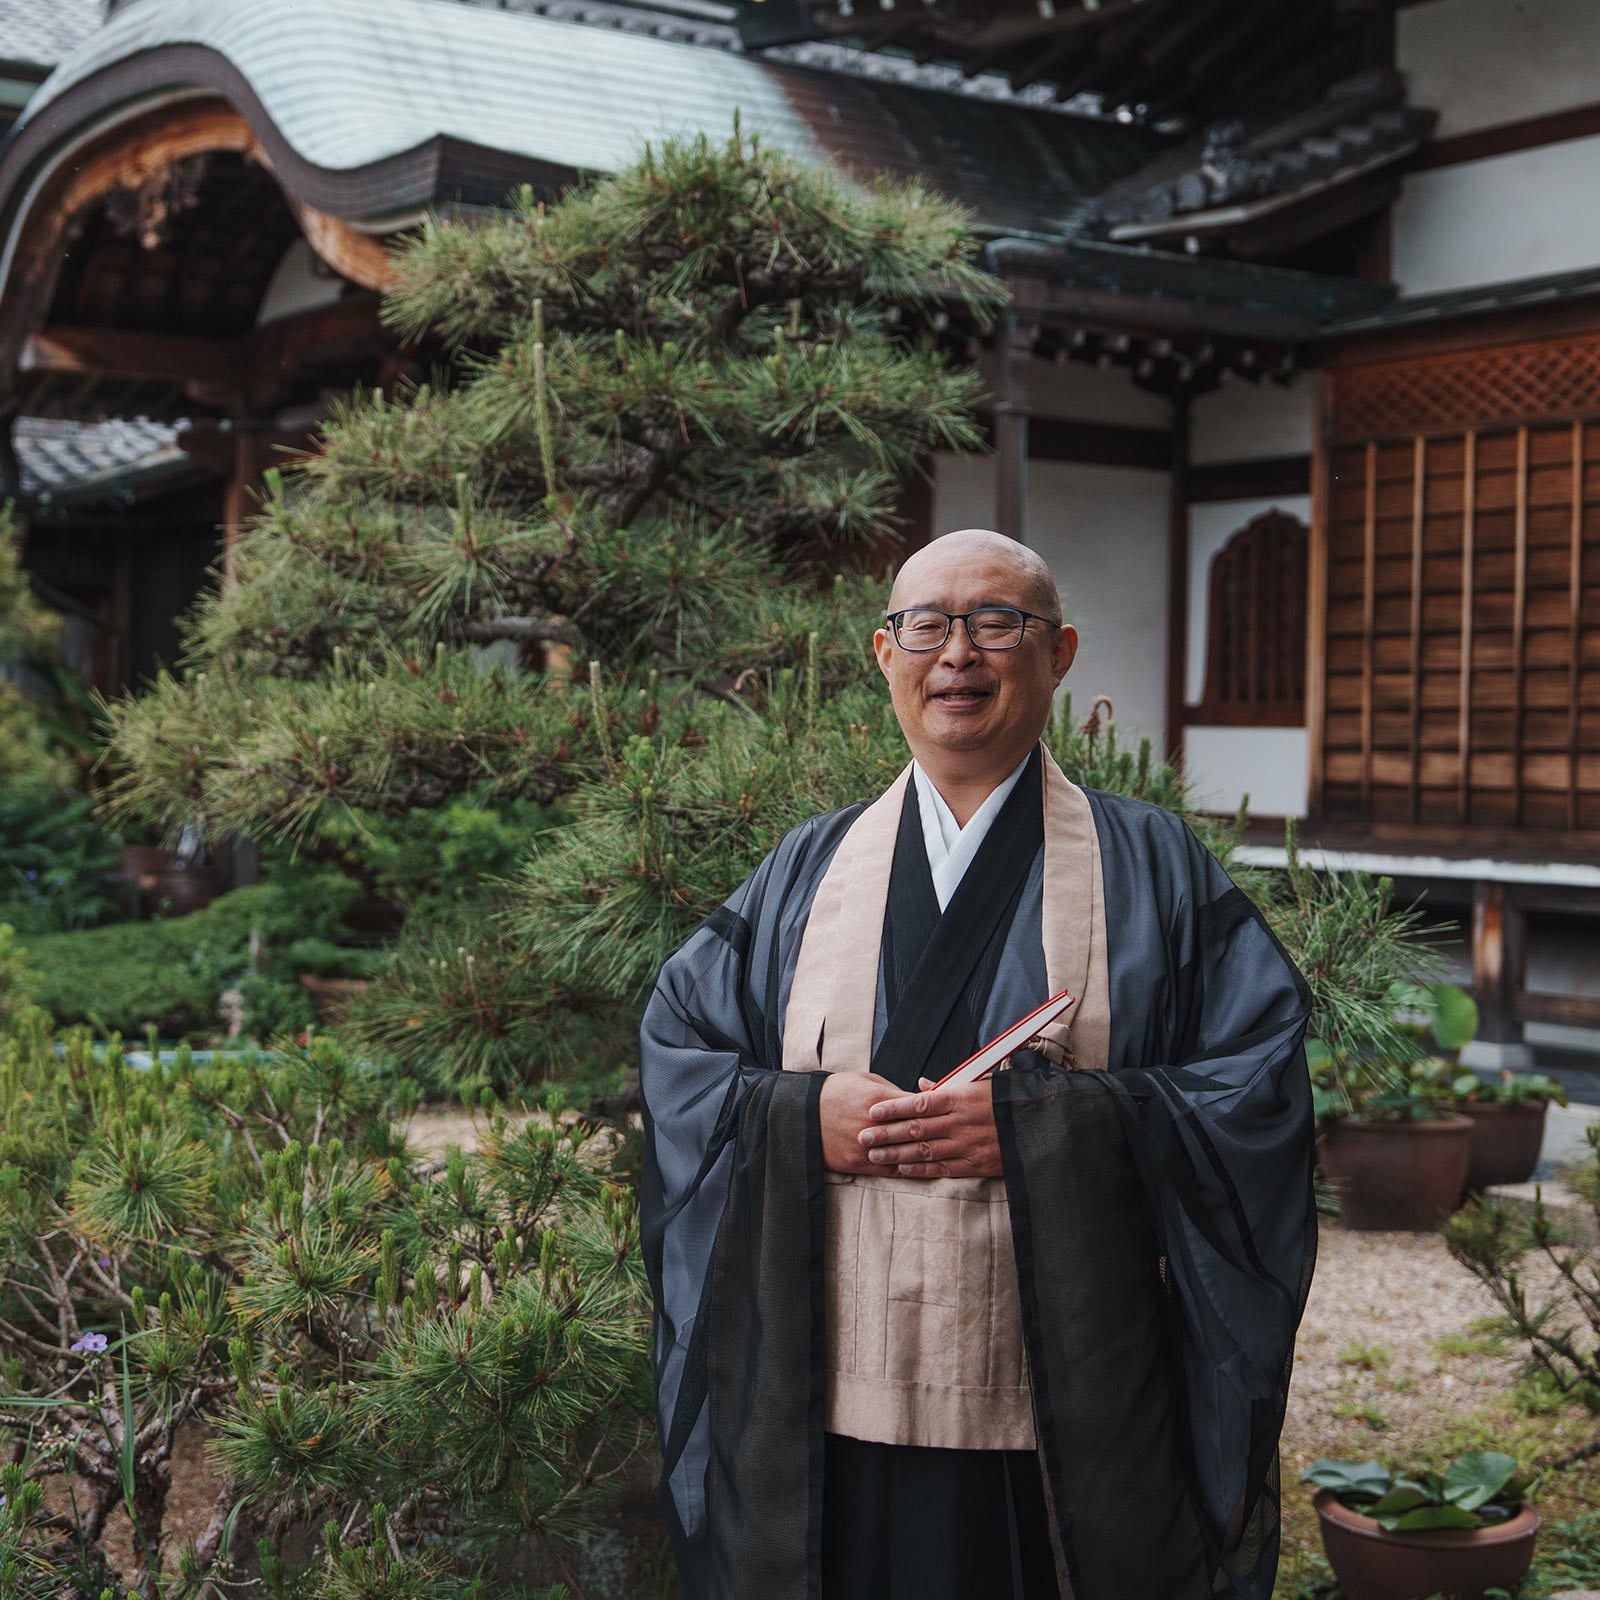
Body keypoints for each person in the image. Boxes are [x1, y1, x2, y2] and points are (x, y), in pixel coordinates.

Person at [639, 528, 1316, 1600]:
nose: (956, 653)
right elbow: (679, 1051)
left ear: (1059, 653)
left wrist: (1038, 1129)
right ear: (883, 653)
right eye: (925, 624)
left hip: (1060, 1401)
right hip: (828, 1398)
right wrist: (794, 1114)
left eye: (995, 621)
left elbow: (1257, 1088)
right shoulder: (803, 869)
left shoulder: (1153, 866)